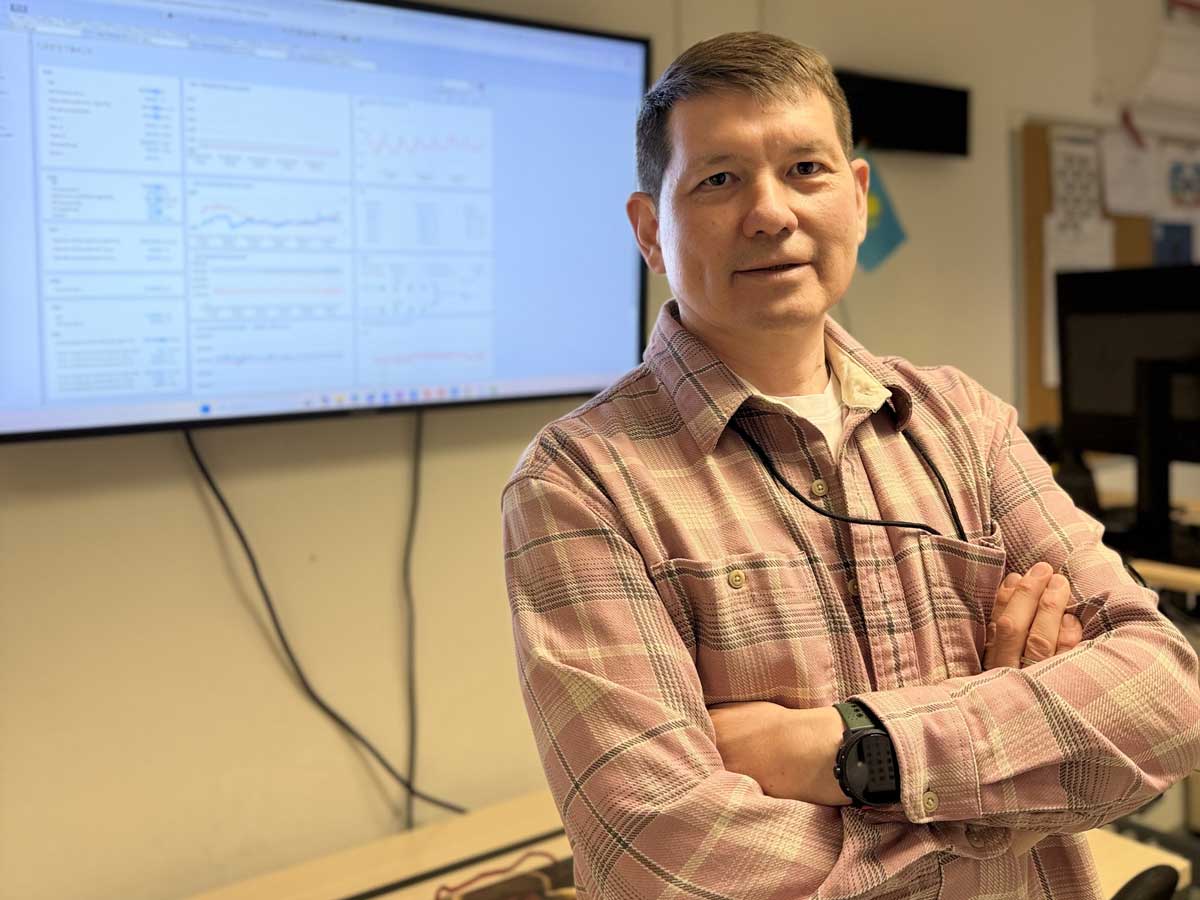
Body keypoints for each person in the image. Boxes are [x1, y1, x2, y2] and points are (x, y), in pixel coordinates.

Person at [500, 31, 1200, 900]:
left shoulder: (963, 422)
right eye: (719, 179)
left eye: (806, 169)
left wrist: (849, 749)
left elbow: (1166, 697)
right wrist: (1009, 793)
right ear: (650, 230)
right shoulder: (580, 483)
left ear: (858, 198)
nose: (770, 213)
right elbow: (665, 858)